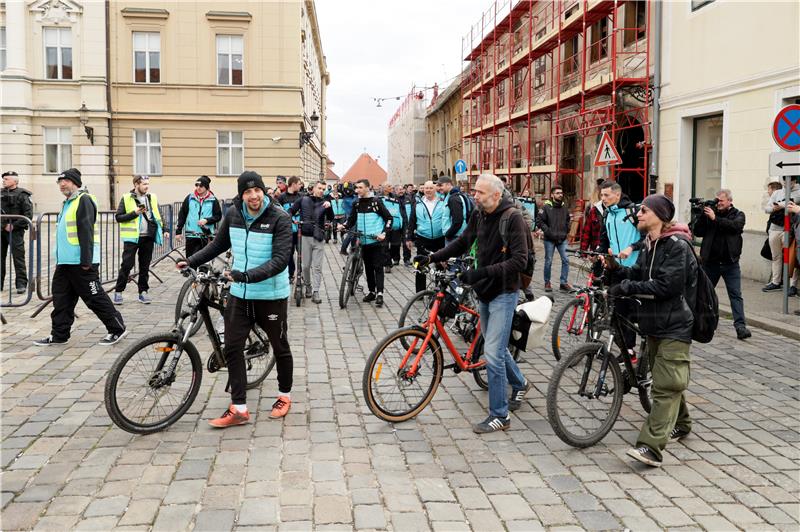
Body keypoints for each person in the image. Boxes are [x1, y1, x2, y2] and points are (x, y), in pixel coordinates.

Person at [415, 174, 531, 433]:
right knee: (495, 346)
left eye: (479, 192)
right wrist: (432, 257)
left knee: (492, 354)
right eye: (475, 191)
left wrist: (480, 273)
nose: (474, 196)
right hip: (485, 291)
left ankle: (500, 415)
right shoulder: (479, 214)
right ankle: (520, 383)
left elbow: (519, 261)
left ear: (496, 195)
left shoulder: (512, 219)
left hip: (503, 291)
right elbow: (463, 242)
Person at [179, 170, 294, 425]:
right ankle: (239, 408)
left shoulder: (280, 218)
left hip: (270, 294)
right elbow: (218, 245)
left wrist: (246, 275)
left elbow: (280, 260)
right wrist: (191, 260)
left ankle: (284, 395)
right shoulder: (233, 213)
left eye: (257, 191)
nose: (253, 196)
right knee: (232, 347)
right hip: (241, 294)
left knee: (280, 346)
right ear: (241, 194)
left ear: (263, 191)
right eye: (247, 192)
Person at [603, 194, 697, 468]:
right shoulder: (649, 245)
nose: (638, 214)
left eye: (644, 210)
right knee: (667, 378)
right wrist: (614, 271)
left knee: (665, 387)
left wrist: (630, 288)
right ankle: (683, 422)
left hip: (676, 324)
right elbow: (638, 274)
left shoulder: (678, 246)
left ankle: (651, 448)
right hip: (654, 323)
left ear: (659, 215)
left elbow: (668, 286)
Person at [34, 169, 127, 346]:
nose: (62, 184)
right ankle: (59, 335)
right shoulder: (67, 202)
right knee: (61, 300)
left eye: (66, 180)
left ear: (75, 182)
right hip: (65, 263)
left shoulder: (83, 200)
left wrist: (87, 261)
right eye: (60, 181)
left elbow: (86, 232)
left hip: (82, 262)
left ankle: (117, 328)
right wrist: (59, 259)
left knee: (94, 297)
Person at [693, 189, 751, 340]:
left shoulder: (738, 214)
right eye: (717, 200)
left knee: (735, 295)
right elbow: (698, 232)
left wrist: (715, 219)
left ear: (730, 201)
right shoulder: (710, 214)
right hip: (710, 263)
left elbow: (735, 227)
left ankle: (740, 327)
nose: (718, 203)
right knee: (703, 294)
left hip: (730, 264)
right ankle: (699, 323)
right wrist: (701, 215)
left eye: (721, 201)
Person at [112, 176, 167, 305]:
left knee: (145, 266)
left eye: (148, 184)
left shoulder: (151, 197)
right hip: (132, 238)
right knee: (126, 265)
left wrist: (166, 229)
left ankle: (143, 292)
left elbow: (159, 214)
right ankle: (118, 292)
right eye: (144, 184)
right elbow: (119, 217)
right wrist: (134, 213)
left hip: (148, 236)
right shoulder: (126, 198)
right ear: (136, 184)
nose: (147, 186)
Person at [338, 179, 393, 307]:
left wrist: (383, 233)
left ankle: (380, 294)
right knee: (368, 267)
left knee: (378, 267)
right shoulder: (356, 203)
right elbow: (351, 220)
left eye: (360, 187)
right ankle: (372, 291)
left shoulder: (376, 202)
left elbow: (389, 218)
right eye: (356, 188)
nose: (357, 190)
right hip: (364, 241)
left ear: (367, 188)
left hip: (377, 240)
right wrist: (344, 226)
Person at [289, 181, 333, 304]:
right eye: (319, 188)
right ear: (313, 188)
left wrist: (329, 208)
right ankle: (307, 285)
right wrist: (292, 220)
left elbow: (331, 218)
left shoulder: (325, 202)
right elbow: (291, 211)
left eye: (323, 189)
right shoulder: (303, 200)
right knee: (305, 266)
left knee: (317, 267)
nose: (321, 191)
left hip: (319, 237)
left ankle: (316, 291)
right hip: (305, 236)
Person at [407, 180, 446, 292]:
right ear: (423, 190)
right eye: (426, 188)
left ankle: (440, 289)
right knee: (420, 265)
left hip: (439, 238)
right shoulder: (417, 203)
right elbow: (412, 221)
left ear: (435, 189)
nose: (428, 190)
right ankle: (420, 291)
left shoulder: (442, 202)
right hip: (423, 238)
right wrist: (409, 238)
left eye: (431, 188)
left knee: (440, 265)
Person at [764, 177, 800, 293]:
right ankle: (776, 281)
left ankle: (792, 285)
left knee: (792, 257)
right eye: (785, 181)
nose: (787, 183)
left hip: (790, 229)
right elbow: (767, 208)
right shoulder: (777, 192)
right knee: (776, 256)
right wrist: (775, 207)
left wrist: (780, 205)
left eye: (791, 180)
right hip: (775, 228)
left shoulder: (799, 191)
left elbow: (791, 203)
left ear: (795, 181)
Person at [1, 171, 32, 294]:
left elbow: (28, 215)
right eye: (3, 179)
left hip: (16, 232)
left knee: (18, 258)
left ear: (15, 181)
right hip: (1, 230)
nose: (3, 181)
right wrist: (4, 225)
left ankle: (21, 284)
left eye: (6, 179)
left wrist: (13, 225)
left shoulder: (23, 195)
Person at [537, 185, 573, 292]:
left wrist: (566, 230)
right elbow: (539, 221)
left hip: (562, 239)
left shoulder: (564, 207)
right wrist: (547, 231)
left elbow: (567, 220)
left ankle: (563, 283)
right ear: (552, 195)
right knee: (548, 261)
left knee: (566, 260)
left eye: (561, 193)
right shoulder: (546, 207)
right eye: (557, 193)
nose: (560, 195)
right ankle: (547, 282)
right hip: (549, 239)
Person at [176, 176, 222, 258]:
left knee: (204, 261)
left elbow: (218, 216)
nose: (198, 187)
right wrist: (178, 231)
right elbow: (182, 214)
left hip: (206, 235)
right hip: (191, 235)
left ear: (206, 187)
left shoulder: (213, 200)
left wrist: (207, 220)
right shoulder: (190, 198)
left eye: (201, 186)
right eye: (196, 185)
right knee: (190, 260)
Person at [277, 176, 304, 280]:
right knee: (289, 254)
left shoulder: (302, 196)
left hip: (300, 230)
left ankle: (301, 274)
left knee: (302, 254)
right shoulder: (281, 197)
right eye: (299, 184)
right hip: (288, 231)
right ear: (293, 184)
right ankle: (291, 274)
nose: (300, 186)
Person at [381, 185, 408, 272]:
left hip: (396, 225)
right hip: (384, 225)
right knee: (384, 245)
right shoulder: (379, 198)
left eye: (390, 186)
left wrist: (403, 223)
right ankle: (387, 263)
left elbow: (402, 212)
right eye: (388, 186)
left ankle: (393, 258)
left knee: (395, 244)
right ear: (383, 187)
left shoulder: (396, 199)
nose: (390, 187)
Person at [438, 176, 471, 246]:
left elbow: (458, 221)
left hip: (455, 237)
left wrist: (448, 234)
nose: (439, 188)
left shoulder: (454, 198)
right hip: (456, 235)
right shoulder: (451, 196)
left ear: (448, 184)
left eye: (441, 185)